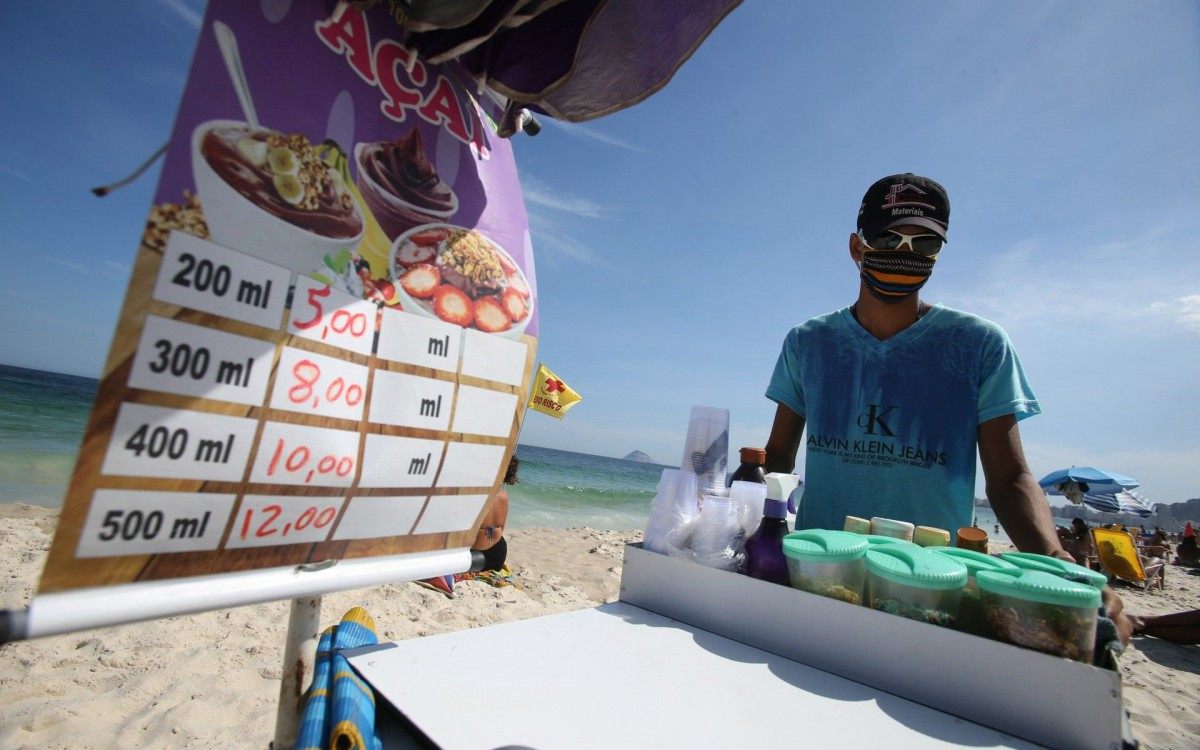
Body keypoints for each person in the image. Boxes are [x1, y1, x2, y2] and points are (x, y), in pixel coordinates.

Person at [763, 173, 1130, 642]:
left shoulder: (977, 345)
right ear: (857, 247)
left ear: (938, 254)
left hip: (931, 589)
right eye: (887, 237)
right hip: (818, 570)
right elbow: (776, 459)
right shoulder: (808, 343)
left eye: (924, 243)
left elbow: (1010, 476)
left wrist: (1052, 559)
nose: (905, 251)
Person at [415, 456, 517, 597]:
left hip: (475, 557)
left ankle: (446, 576)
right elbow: (501, 528)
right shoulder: (504, 495)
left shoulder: (476, 495)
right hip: (498, 555)